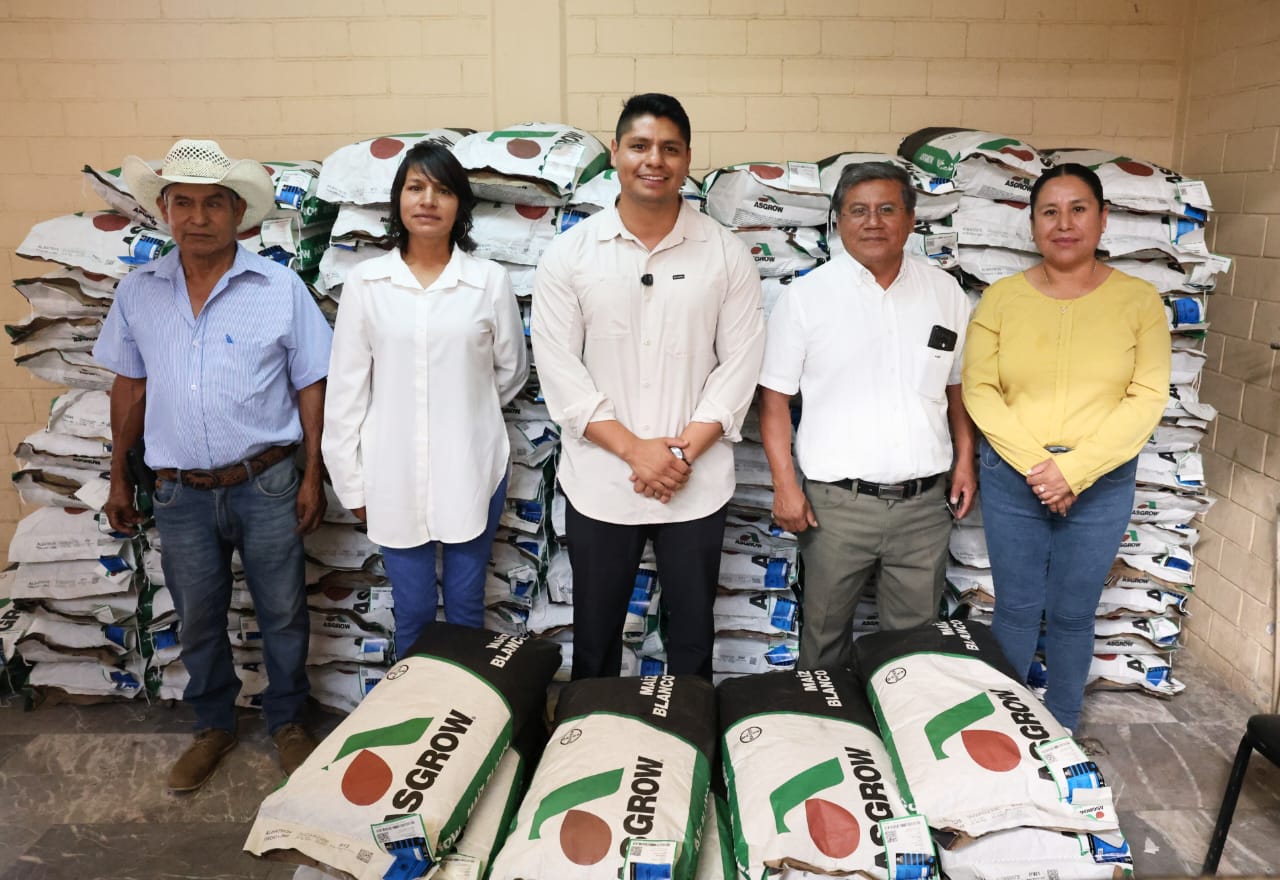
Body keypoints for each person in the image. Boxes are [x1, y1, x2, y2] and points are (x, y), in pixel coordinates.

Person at [94, 139, 333, 791]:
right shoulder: (139, 292)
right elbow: (130, 386)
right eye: (183, 204)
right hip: (179, 494)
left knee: (283, 610)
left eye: (212, 205)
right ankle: (213, 727)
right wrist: (118, 474)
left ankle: (286, 722)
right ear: (165, 212)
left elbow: (313, 382)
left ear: (238, 215)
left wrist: (314, 474)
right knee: (198, 614)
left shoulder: (279, 288)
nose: (197, 217)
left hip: (269, 481)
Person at [532, 93, 765, 680]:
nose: (653, 160)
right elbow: (560, 369)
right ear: (615, 153)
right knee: (595, 638)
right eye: (639, 146)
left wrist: (680, 452)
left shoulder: (724, 253)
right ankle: (590, 750)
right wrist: (637, 451)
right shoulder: (571, 254)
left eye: (669, 148)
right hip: (603, 480)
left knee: (691, 639)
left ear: (688, 159)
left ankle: (689, 753)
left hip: (696, 479)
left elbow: (739, 367)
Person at [962, 162, 1171, 732]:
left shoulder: (1140, 301)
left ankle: (1060, 732)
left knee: (1076, 614)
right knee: (1017, 609)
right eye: (1049, 212)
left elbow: (1147, 394)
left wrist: (1075, 471)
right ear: (1032, 225)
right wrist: (1038, 466)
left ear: (1103, 220)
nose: (1064, 223)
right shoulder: (1002, 299)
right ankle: (1010, 735)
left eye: (1078, 209)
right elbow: (979, 388)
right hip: (1013, 477)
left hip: (1101, 482)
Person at [759, 161, 977, 671]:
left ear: (910, 218)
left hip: (924, 506)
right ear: (837, 220)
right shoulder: (806, 298)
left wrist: (964, 459)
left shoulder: (945, 293)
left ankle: (900, 739)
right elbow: (773, 401)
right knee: (825, 638)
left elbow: (955, 388)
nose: (872, 222)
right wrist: (784, 485)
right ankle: (829, 735)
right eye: (858, 211)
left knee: (913, 649)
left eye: (886, 209)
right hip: (836, 506)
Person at [323, 143, 528, 653]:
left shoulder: (487, 281)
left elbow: (510, 369)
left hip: (472, 465)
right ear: (398, 201)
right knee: (411, 611)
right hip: (391, 472)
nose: (428, 200)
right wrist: (351, 484)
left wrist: (460, 407)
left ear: (460, 205)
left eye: (442, 190)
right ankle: (411, 720)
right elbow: (347, 389)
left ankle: (465, 724)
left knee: (464, 607)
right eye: (415, 187)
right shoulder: (367, 283)